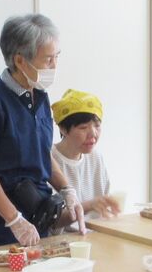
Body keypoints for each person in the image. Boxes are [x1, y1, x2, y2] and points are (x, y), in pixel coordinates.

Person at [0, 14, 81, 250]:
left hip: (36, 208)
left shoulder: (40, 96)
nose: (54, 66)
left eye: (57, 57)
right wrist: (14, 219)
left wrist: (66, 189)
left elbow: (41, 153)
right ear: (20, 61)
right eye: (48, 59)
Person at [50, 88, 120, 222]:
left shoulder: (96, 158)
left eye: (97, 125)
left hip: (95, 231)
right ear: (63, 129)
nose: (93, 133)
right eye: (83, 127)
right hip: (65, 235)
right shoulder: (49, 159)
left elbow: (104, 203)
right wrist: (90, 205)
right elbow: (51, 221)